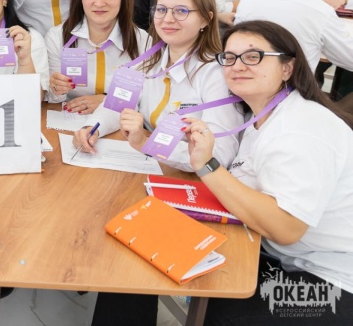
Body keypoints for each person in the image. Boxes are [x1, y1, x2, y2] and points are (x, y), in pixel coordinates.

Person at [93, 20, 353, 325]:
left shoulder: (301, 129)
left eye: (253, 56)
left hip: (327, 280)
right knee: (133, 258)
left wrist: (208, 166)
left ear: (287, 68)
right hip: (272, 251)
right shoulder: (262, 116)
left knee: (221, 316)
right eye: (229, 57)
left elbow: (286, 228)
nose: (238, 66)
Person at [75, 0, 243, 173]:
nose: (168, 19)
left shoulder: (218, 75)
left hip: (189, 179)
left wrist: (147, 144)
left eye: (181, 11)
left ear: (206, 19)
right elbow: (116, 106)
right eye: (161, 10)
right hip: (150, 169)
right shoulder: (147, 60)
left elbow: (220, 155)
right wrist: (92, 128)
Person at [46, 0, 148, 114]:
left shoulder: (143, 41)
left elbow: (145, 96)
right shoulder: (57, 37)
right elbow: (54, 99)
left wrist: (105, 101)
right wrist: (55, 89)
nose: (99, 3)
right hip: (70, 118)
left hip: (120, 121)